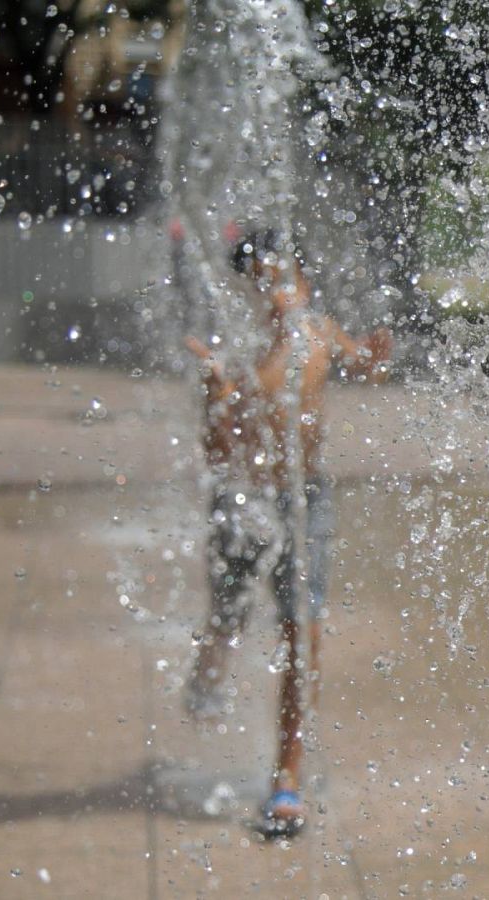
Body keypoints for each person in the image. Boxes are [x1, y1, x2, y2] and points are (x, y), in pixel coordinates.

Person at [183, 229, 392, 838]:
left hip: (308, 503)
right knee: (228, 614)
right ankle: (210, 669)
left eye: (288, 279)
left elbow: (364, 364)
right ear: (249, 289)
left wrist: (377, 355)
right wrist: (214, 395)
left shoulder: (319, 332)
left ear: (303, 283)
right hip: (244, 501)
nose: (280, 294)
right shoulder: (237, 352)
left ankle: (287, 781)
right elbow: (216, 455)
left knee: (303, 635)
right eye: (266, 282)